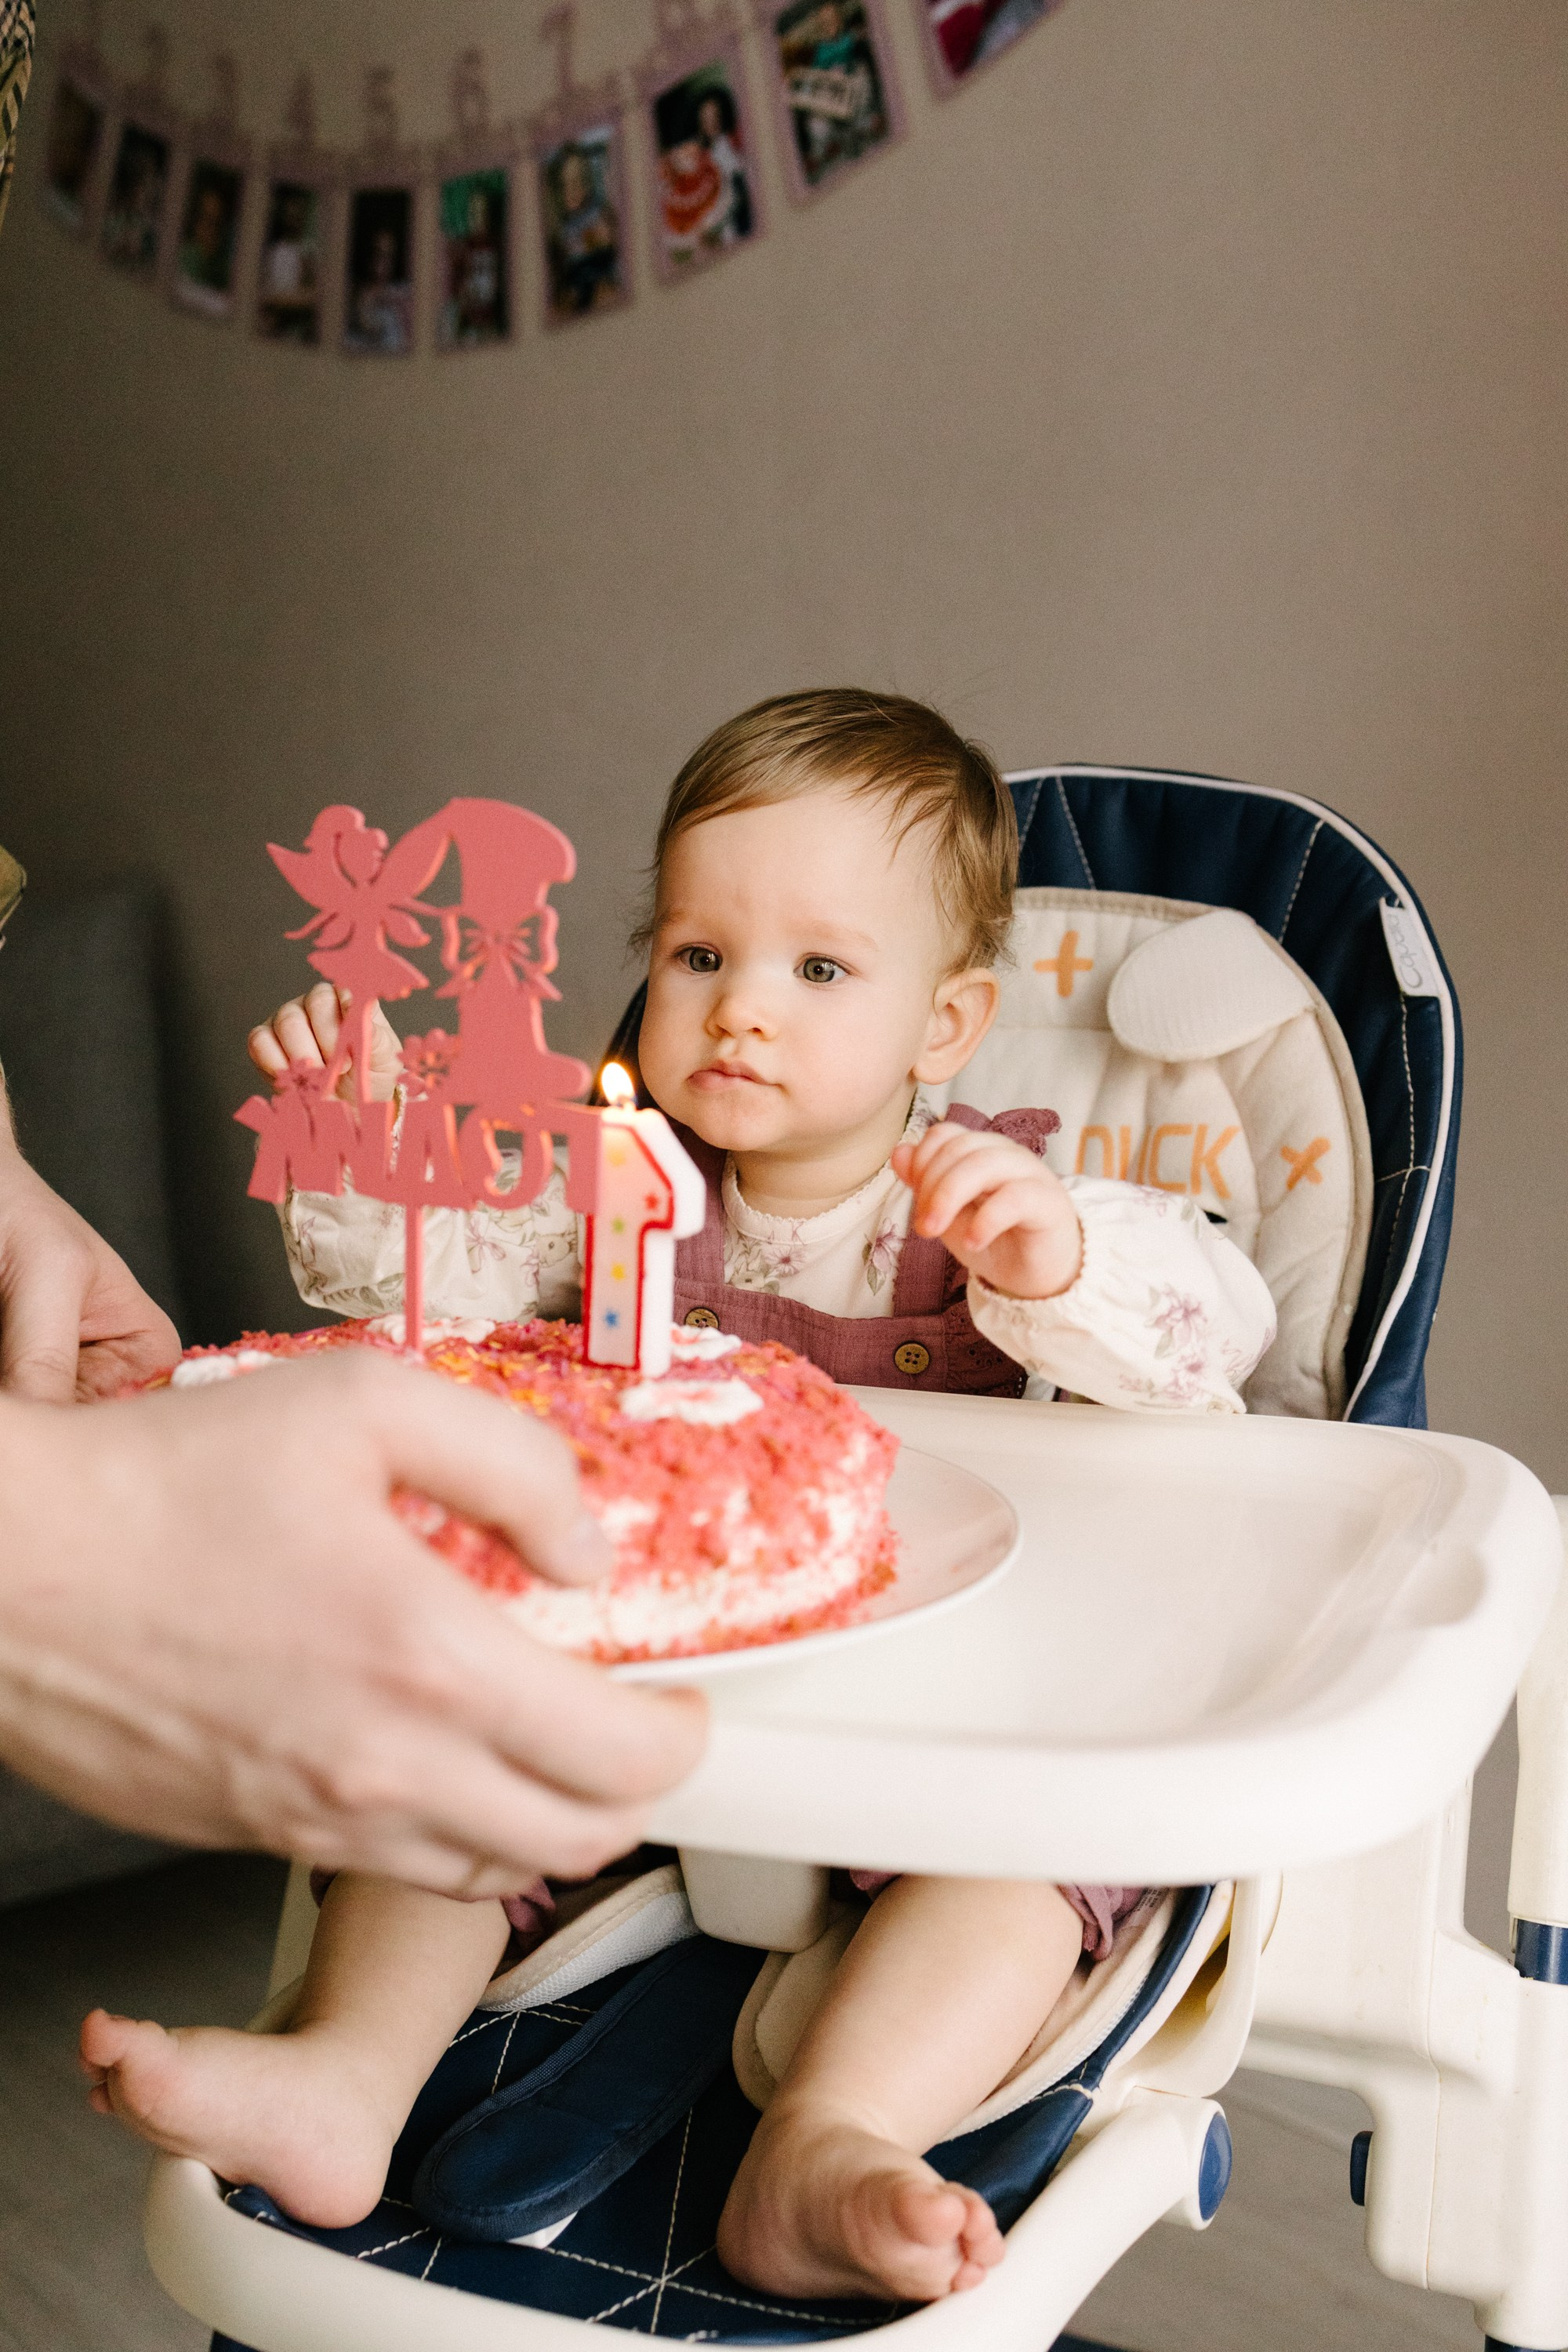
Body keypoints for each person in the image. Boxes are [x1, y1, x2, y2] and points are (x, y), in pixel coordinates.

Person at [82, 691, 1275, 2300]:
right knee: (456, 1753)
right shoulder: (617, 1181)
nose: (739, 1012)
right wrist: (364, 1150)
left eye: (820, 969)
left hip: (941, 1713)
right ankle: (346, 2075)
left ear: (943, 1027)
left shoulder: (987, 1197)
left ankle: (827, 2145)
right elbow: (427, 1291)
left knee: (1036, 1867)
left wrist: (1058, 1259)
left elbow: (1214, 1333)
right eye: (700, 954)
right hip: (670, 1686)